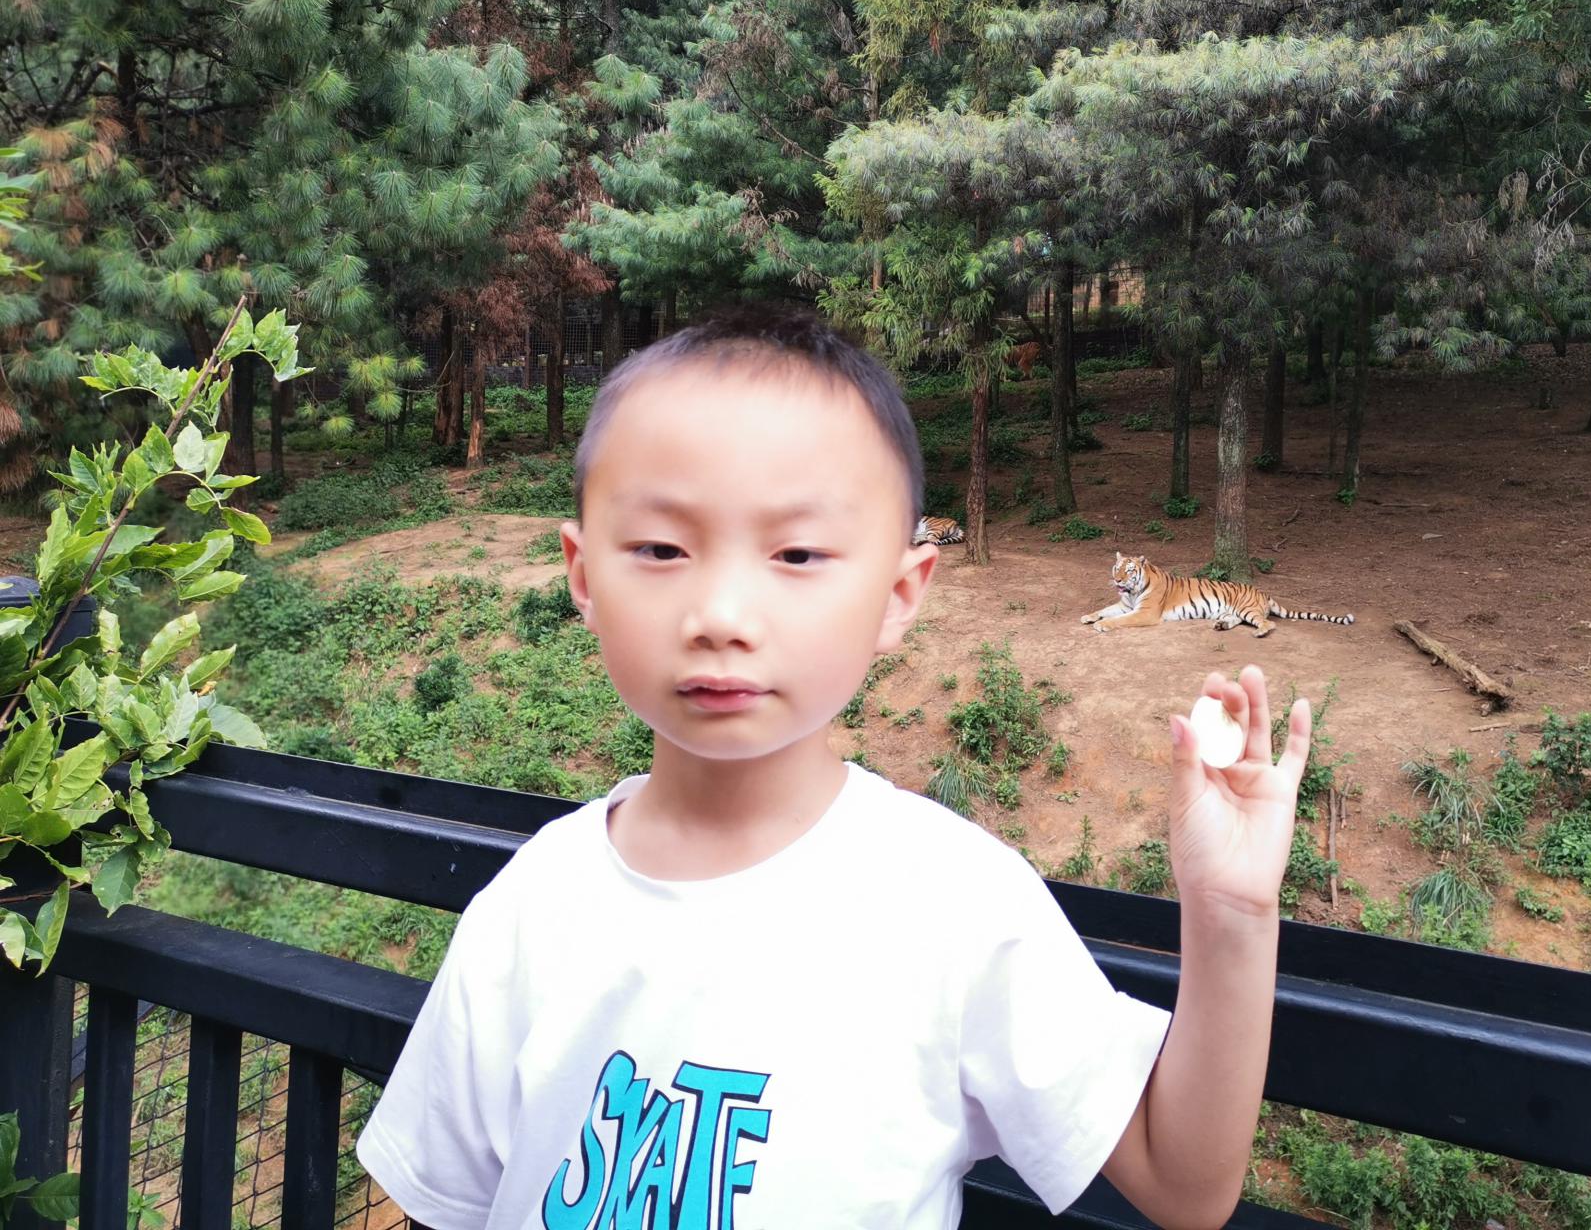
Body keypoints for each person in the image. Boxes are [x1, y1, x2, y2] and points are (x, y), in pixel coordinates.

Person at [355, 303, 1315, 1230]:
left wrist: (1232, 916)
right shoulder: (531, 906)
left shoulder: (955, 904)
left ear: (900, 593)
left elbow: (1183, 1185)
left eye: (798, 553)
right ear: (582, 576)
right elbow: (447, 1205)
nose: (722, 614)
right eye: (661, 547)